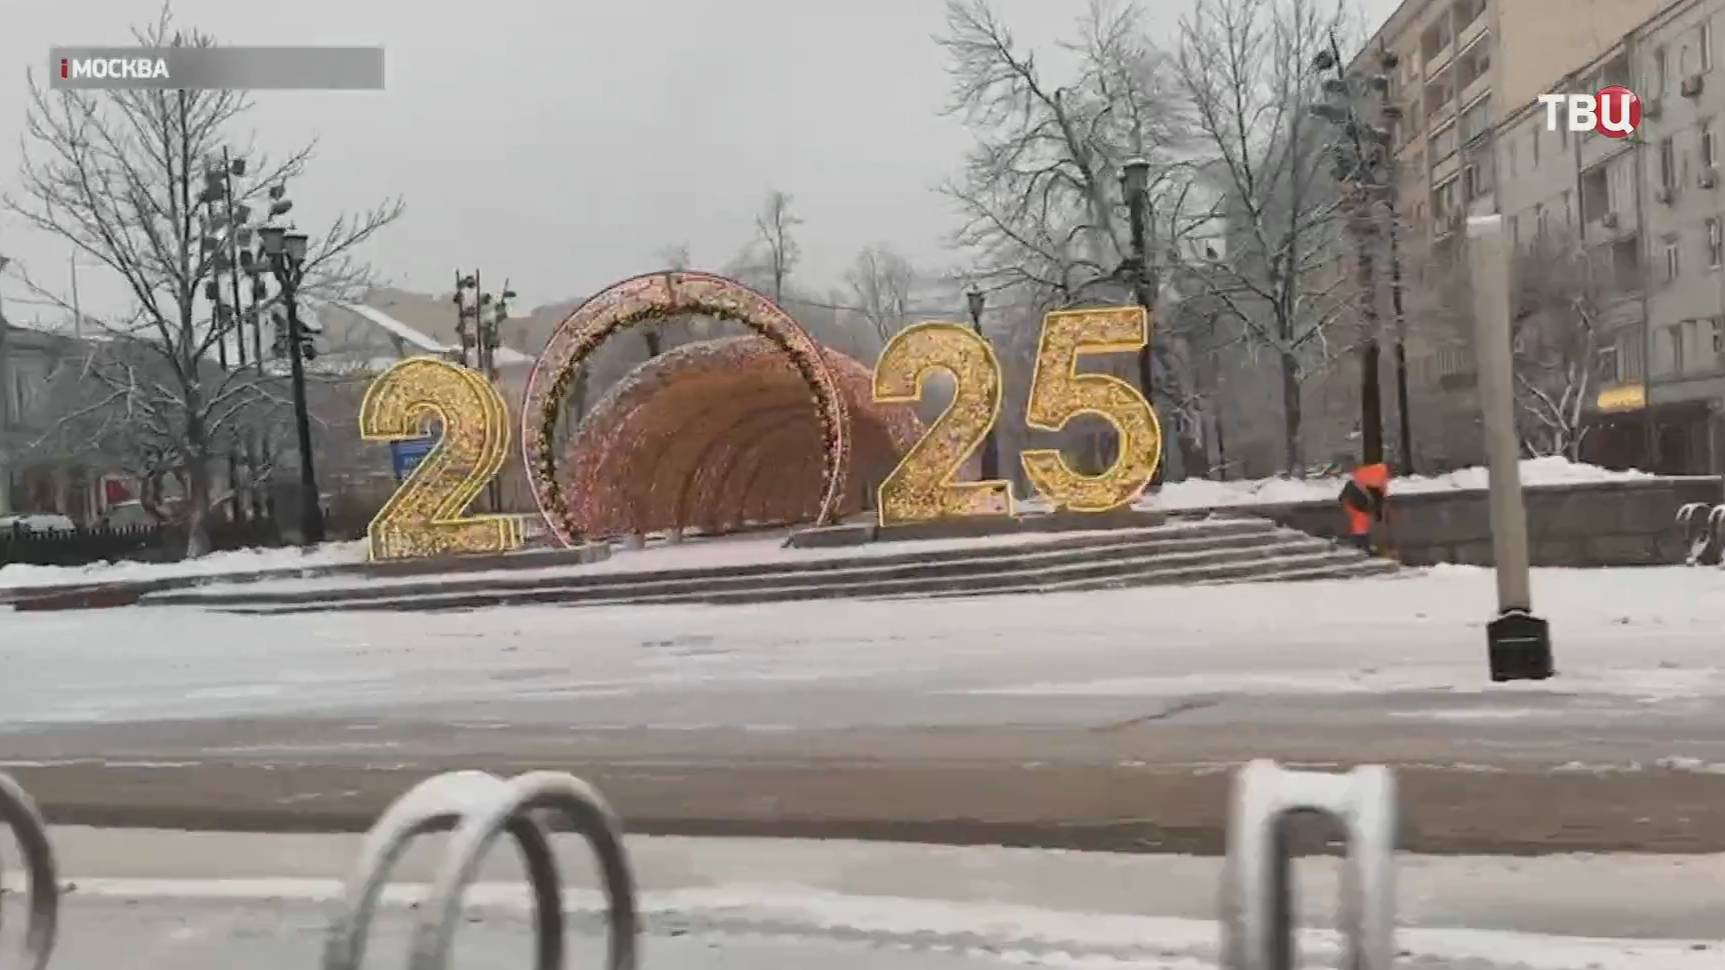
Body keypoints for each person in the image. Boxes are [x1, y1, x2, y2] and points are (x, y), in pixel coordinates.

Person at [1338, 462, 1391, 553]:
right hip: (1356, 498)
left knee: (1359, 522)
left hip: (1350, 495)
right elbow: (1378, 495)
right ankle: (1360, 546)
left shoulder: (1377, 471)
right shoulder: (1379, 477)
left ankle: (1359, 544)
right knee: (1360, 523)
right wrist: (1379, 513)